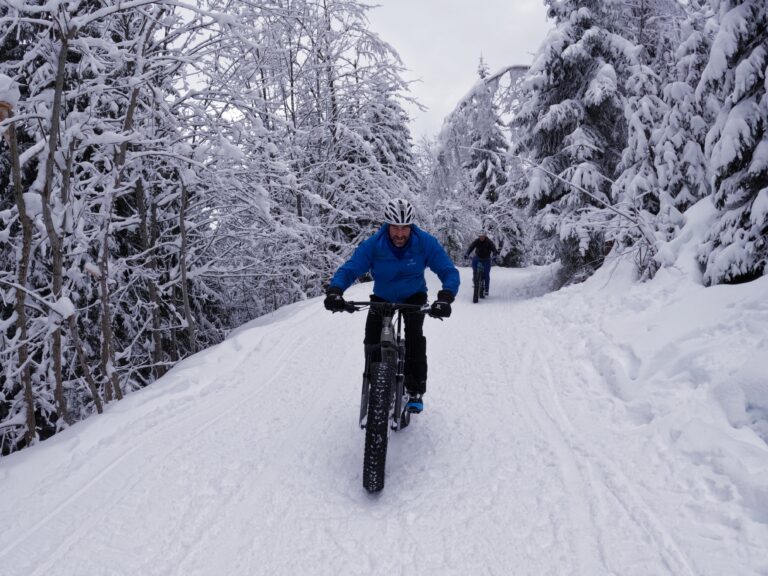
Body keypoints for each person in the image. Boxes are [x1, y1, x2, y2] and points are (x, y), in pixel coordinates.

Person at [324, 198, 460, 414]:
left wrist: (446, 297)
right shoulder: (373, 245)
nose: (399, 233)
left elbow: (448, 271)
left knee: (414, 336)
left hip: (413, 296)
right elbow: (351, 269)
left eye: (404, 227)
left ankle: (415, 390)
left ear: (411, 226)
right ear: (387, 225)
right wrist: (335, 291)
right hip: (383, 296)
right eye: (395, 227)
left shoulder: (425, 243)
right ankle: (376, 383)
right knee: (371, 340)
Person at [465, 231, 499, 296]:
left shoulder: (489, 242)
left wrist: (494, 255)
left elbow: (494, 249)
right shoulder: (477, 241)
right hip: (478, 257)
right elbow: (471, 247)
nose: (481, 238)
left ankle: (486, 289)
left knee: (486, 274)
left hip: (486, 259)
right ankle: (475, 279)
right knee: (474, 268)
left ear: (485, 236)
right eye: (480, 236)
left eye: (482, 236)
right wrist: (467, 253)